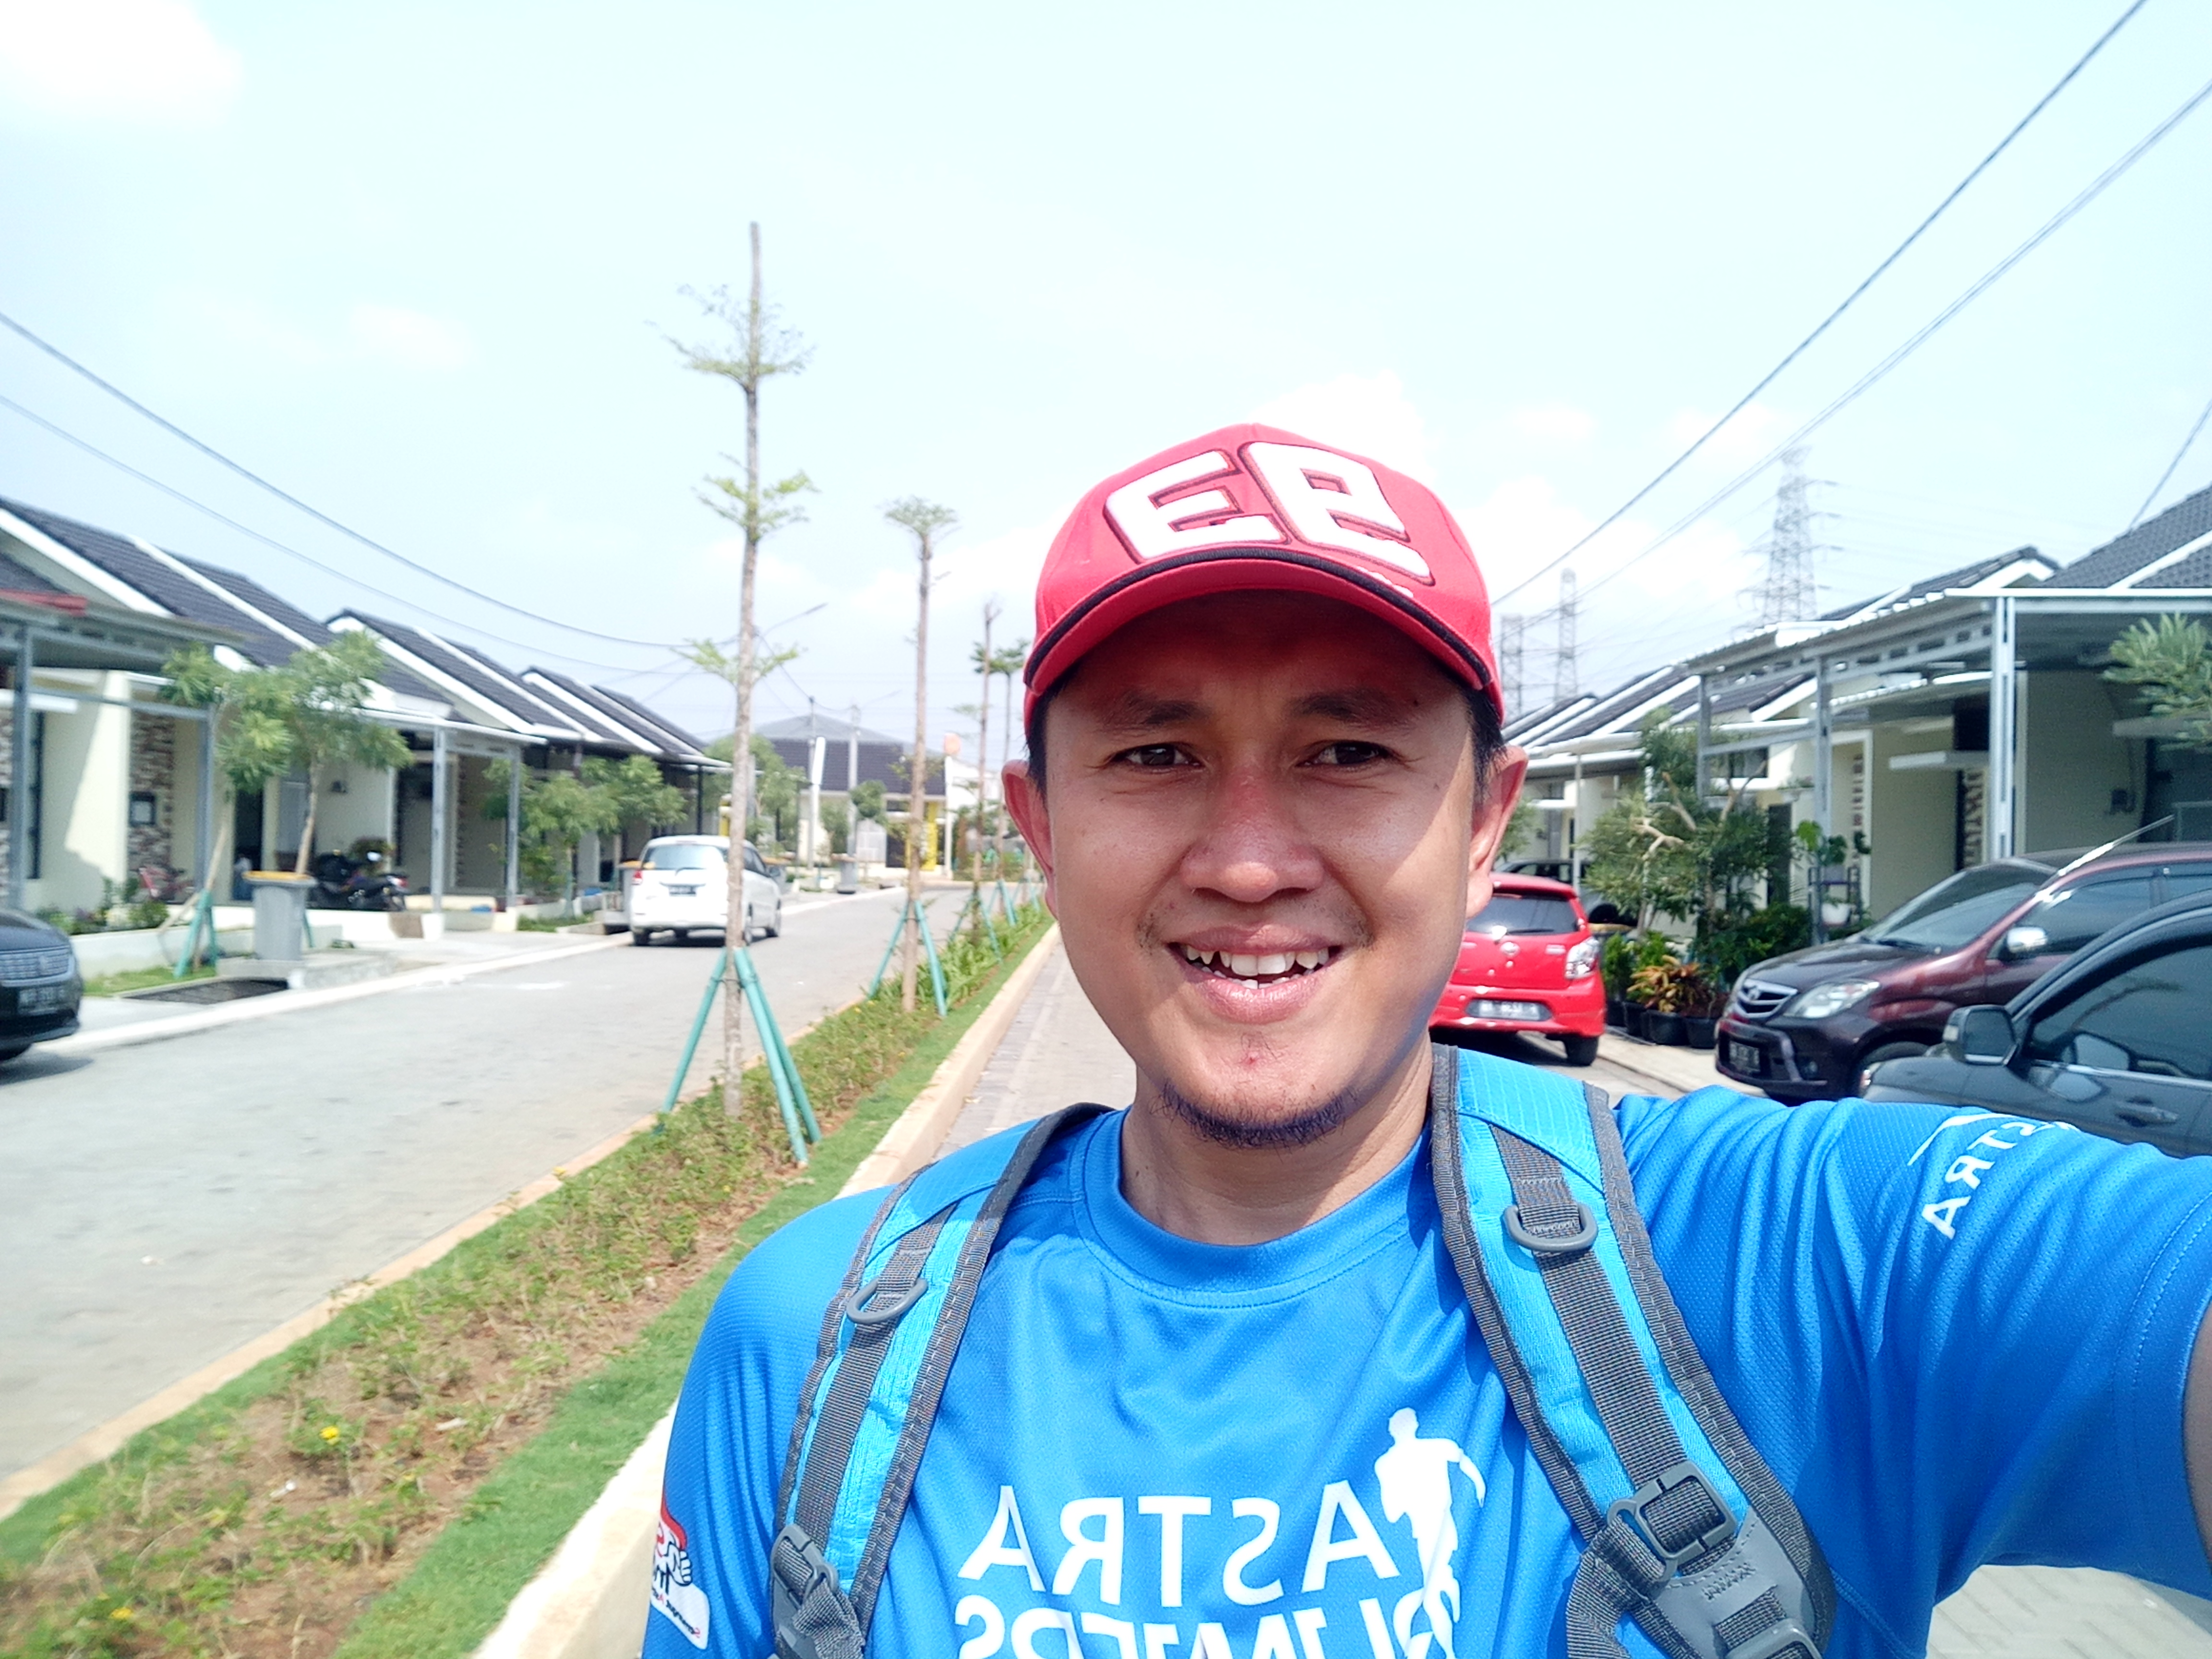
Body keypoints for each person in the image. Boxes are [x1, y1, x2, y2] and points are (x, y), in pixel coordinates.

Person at [649, 425, 2212, 1659]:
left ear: (1482, 825)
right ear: (1041, 828)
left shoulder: (1784, 1267)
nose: (1248, 861)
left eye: (1346, 749)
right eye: (1157, 752)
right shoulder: (813, 1346)